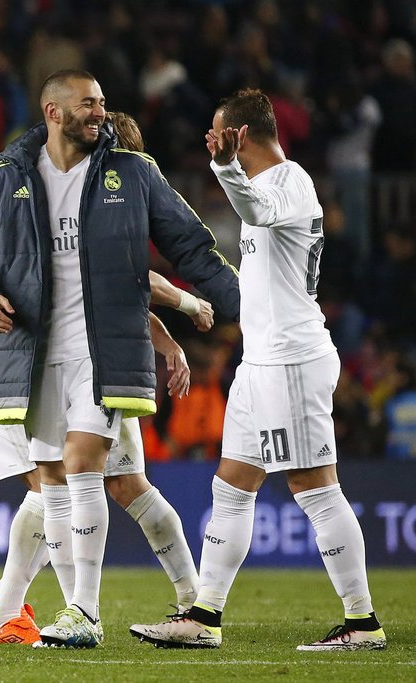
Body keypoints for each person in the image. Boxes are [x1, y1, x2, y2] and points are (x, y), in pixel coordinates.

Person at [0, 69, 240, 648]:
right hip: (24, 359)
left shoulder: (132, 174)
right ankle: (17, 608)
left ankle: (79, 610)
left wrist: (242, 307)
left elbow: (173, 253)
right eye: (88, 104)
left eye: (103, 103)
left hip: (101, 355)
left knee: (84, 468)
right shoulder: (10, 178)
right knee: (58, 478)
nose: (99, 112)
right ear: (54, 113)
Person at [129, 89, 386, 651]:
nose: (214, 146)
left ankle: (363, 622)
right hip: (263, 359)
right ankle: (203, 617)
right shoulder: (271, 187)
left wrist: (223, 167)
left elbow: (255, 211)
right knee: (231, 488)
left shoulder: (285, 182)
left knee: (314, 488)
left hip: (290, 359)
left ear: (240, 136)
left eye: (220, 137)